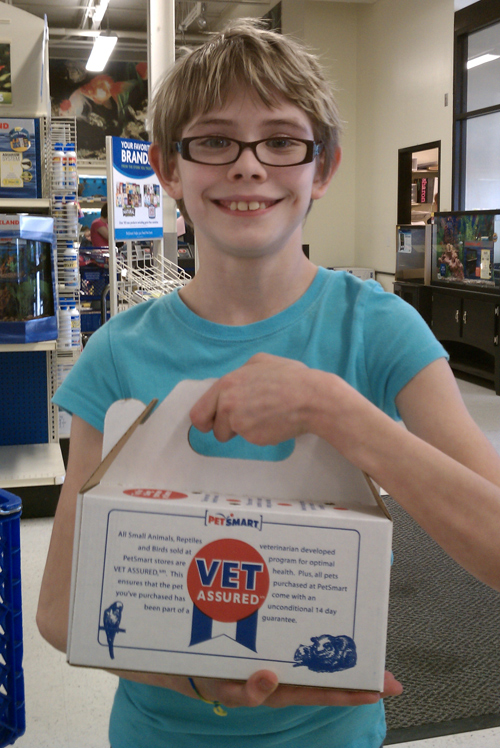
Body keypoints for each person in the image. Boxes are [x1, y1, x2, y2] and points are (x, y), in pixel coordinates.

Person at [37, 20, 500, 748]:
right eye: (214, 141)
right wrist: (195, 673)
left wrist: (336, 410)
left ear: (322, 168)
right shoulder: (116, 356)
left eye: (282, 141)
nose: (249, 167)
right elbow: (62, 609)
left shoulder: (378, 330)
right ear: (167, 168)